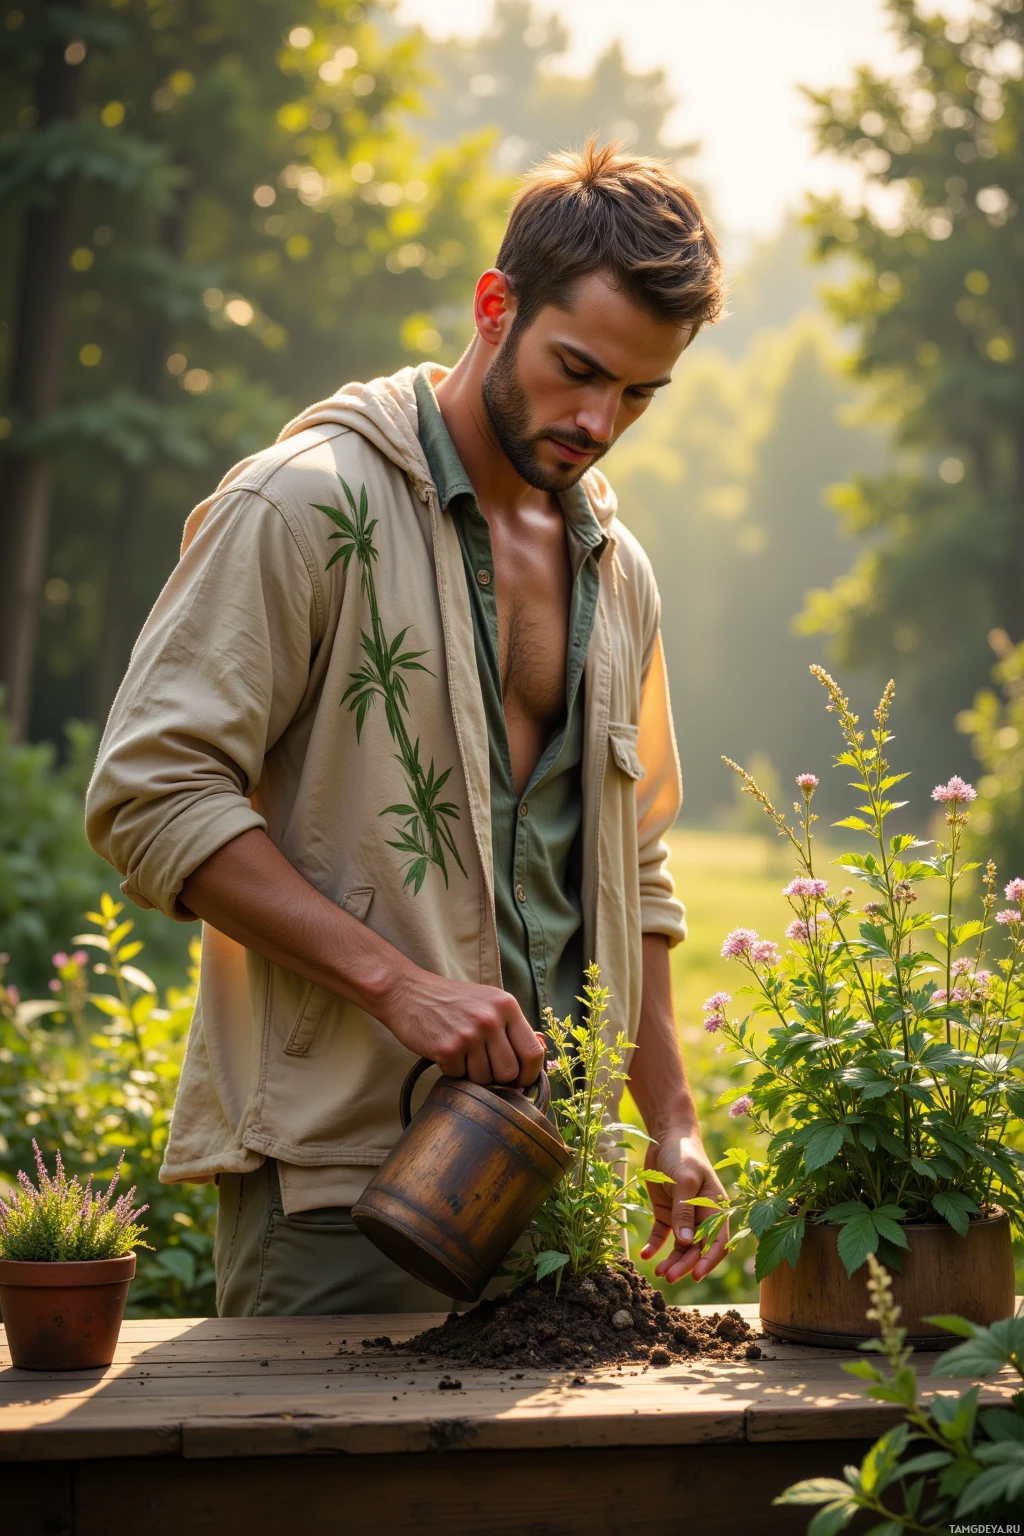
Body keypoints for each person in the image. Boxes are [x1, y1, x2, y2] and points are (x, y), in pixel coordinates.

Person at [86, 139, 729, 1317]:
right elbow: (152, 795)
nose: (599, 421)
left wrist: (671, 1118)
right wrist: (399, 987)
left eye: (638, 393)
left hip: (557, 1196)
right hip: (342, 1198)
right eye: (577, 369)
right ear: (495, 306)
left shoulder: (617, 570)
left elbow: (632, 865)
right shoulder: (300, 503)